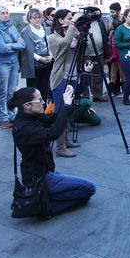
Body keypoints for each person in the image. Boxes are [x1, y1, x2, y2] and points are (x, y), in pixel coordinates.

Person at [10, 85, 96, 217]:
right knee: (89, 188)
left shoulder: (30, 115)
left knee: (81, 190)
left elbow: (52, 119)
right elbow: (53, 133)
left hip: (45, 170)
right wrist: (66, 107)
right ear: (27, 105)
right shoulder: (24, 128)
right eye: (39, 100)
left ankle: (45, 198)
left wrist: (67, 101)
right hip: (40, 177)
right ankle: (45, 207)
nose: (43, 102)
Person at [47, 9, 83, 158]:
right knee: (60, 112)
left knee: (67, 110)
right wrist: (74, 24)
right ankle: (60, 146)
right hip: (61, 78)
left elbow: (81, 47)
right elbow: (65, 44)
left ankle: (66, 140)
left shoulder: (71, 33)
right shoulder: (52, 38)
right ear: (61, 21)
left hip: (73, 76)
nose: (72, 20)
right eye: (69, 18)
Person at [0, 6, 26, 129]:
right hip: (2, 63)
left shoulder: (12, 27)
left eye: (7, 13)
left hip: (13, 62)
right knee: (2, 91)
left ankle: (11, 115)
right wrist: (15, 45)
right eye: (2, 13)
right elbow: (1, 48)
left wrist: (10, 45)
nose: (5, 15)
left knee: (12, 91)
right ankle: (2, 118)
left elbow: (23, 44)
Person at [20, 8, 53, 103]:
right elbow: (27, 49)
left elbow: (50, 44)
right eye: (34, 18)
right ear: (29, 19)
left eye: (39, 17)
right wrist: (40, 58)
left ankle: (43, 108)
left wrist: (50, 55)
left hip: (46, 63)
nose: (37, 20)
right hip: (33, 65)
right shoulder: (26, 31)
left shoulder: (46, 29)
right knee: (33, 89)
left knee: (45, 88)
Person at [81, 8, 110, 101]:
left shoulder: (100, 22)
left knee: (98, 75)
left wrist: (106, 54)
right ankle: (85, 96)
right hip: (85, 53)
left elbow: (105, 36)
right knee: (85, 74)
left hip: (99, 52)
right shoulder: (83, 22)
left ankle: (97, 95)